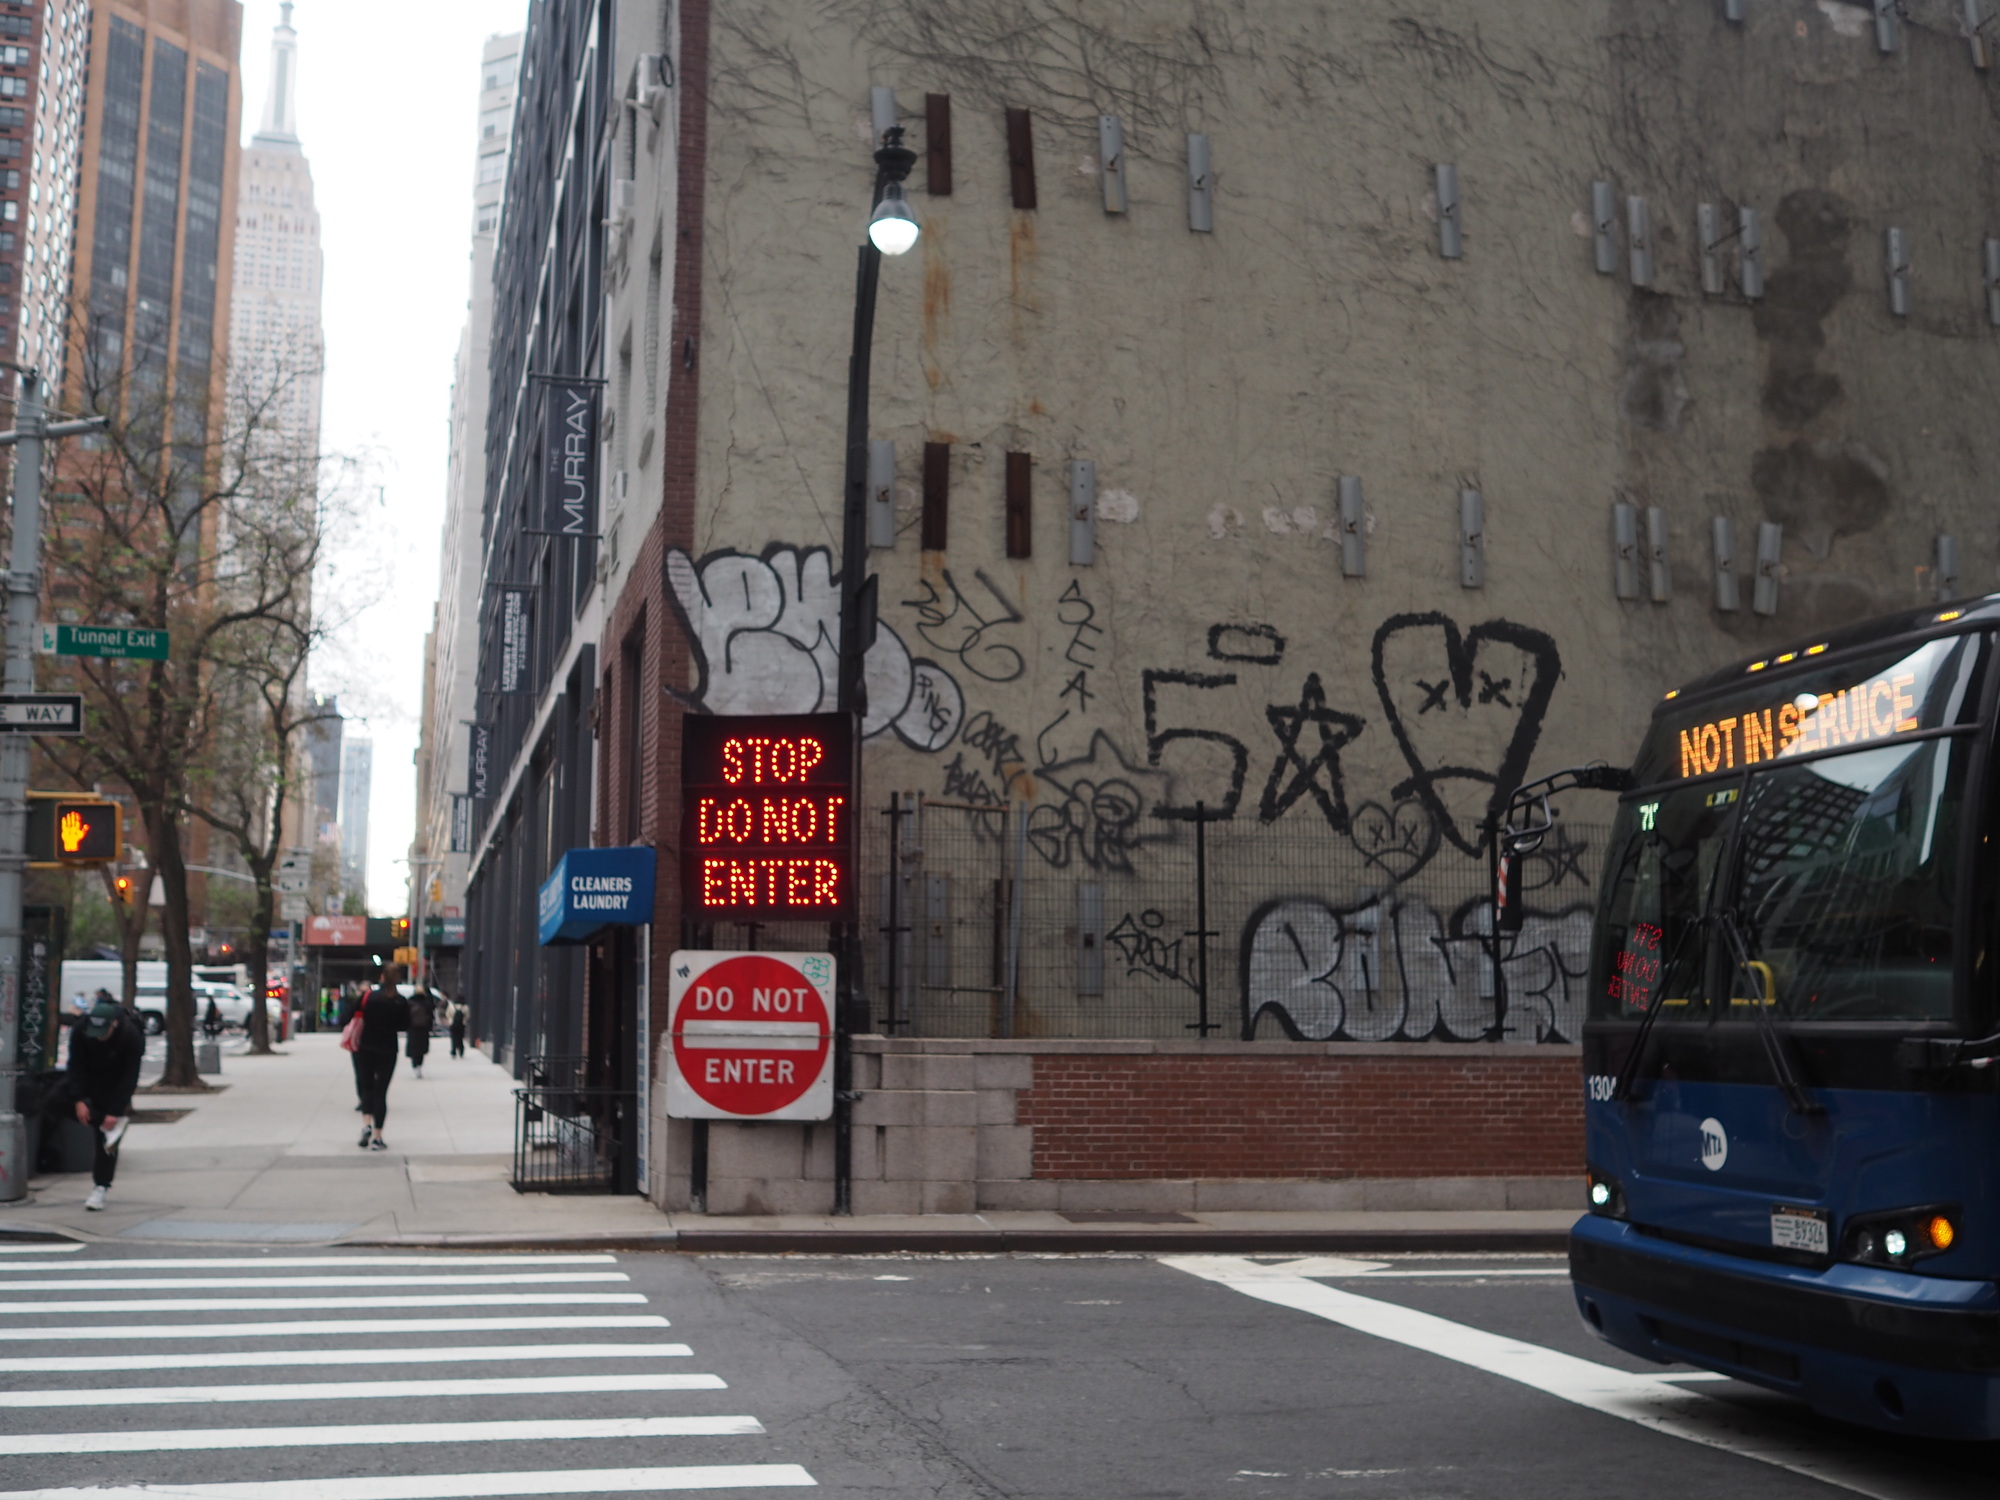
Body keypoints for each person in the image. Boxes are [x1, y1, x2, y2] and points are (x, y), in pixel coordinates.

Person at [52, 995, 145, 1211]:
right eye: (96, 1033)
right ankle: (100, 1121)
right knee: (53, 1100)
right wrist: (78, 1099)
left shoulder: (131, 1036)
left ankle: (101, 1187)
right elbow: (75, 1065)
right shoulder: (81, 1029)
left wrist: (115, 1111)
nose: (99, 1037)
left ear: (114, 1024)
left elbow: (129, 1078)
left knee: (106, 1138)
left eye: (104, 1033)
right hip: (88, 1075)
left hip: (113, 1082)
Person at [353, 965, 409, 1150]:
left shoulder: (369, 997)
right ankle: (377, 1137)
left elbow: (349, 1015)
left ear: (382, 977)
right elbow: (405, 1025)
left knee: (367, 1088)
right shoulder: (400, 1001)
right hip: (388, 1049)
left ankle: (366, 1124)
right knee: (381, 1092)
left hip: (366, 1047)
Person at [405, 987, 434, 1080]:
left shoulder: (409, 1002)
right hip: (423, 1029)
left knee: (414, 1049)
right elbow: (431, 1016)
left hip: (412, 1029)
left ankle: (415, 1068)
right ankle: (419, 1067)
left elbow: (405, 1015)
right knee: (421, 1049)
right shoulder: (427, 1003)